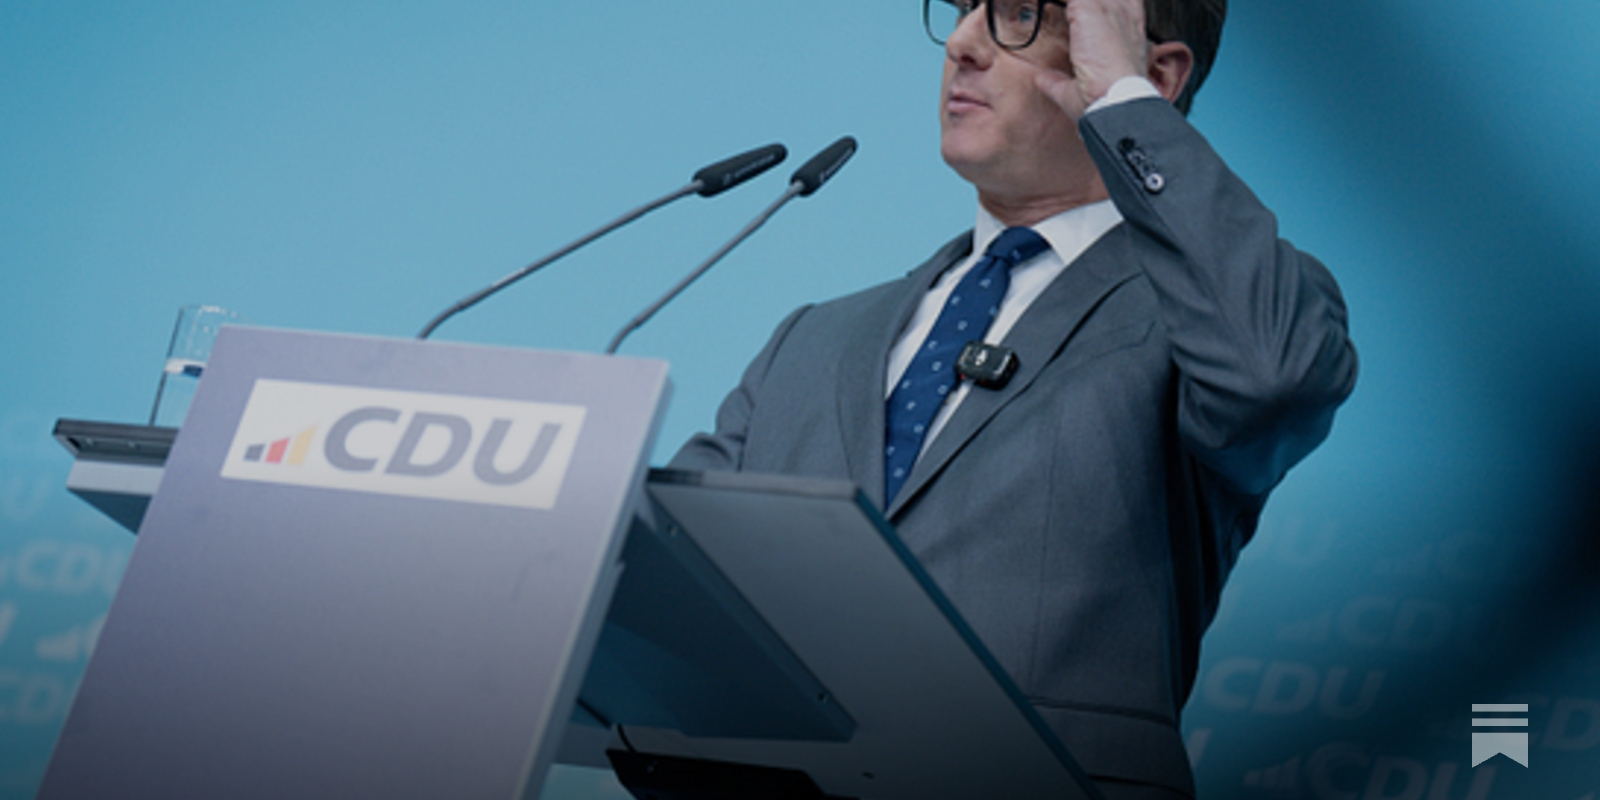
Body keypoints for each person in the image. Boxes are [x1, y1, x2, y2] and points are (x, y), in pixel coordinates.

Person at [670, 0, 1357, 796]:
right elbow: (664, 565)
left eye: (1022, 14)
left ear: (1154, 73)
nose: (964, 43)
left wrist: (1124, 104)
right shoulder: (812, 340)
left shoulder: (1215, 317)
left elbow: (1276, 381)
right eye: (966, 9)